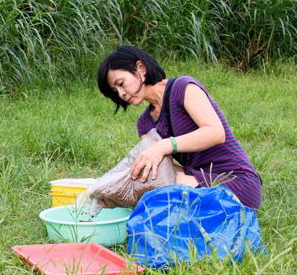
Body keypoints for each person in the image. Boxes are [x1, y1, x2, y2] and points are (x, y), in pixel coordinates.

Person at [96, 45, 262, 210]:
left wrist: (164, 145)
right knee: (149, 183)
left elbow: (216, 133)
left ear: (141, 68)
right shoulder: (144, 124)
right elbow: (161, 170)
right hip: (198, 181)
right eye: (115, 90)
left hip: (236, 181)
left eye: (121, 83)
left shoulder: (182, 88)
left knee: (157, 195)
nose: (121, 94)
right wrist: (120, 185)